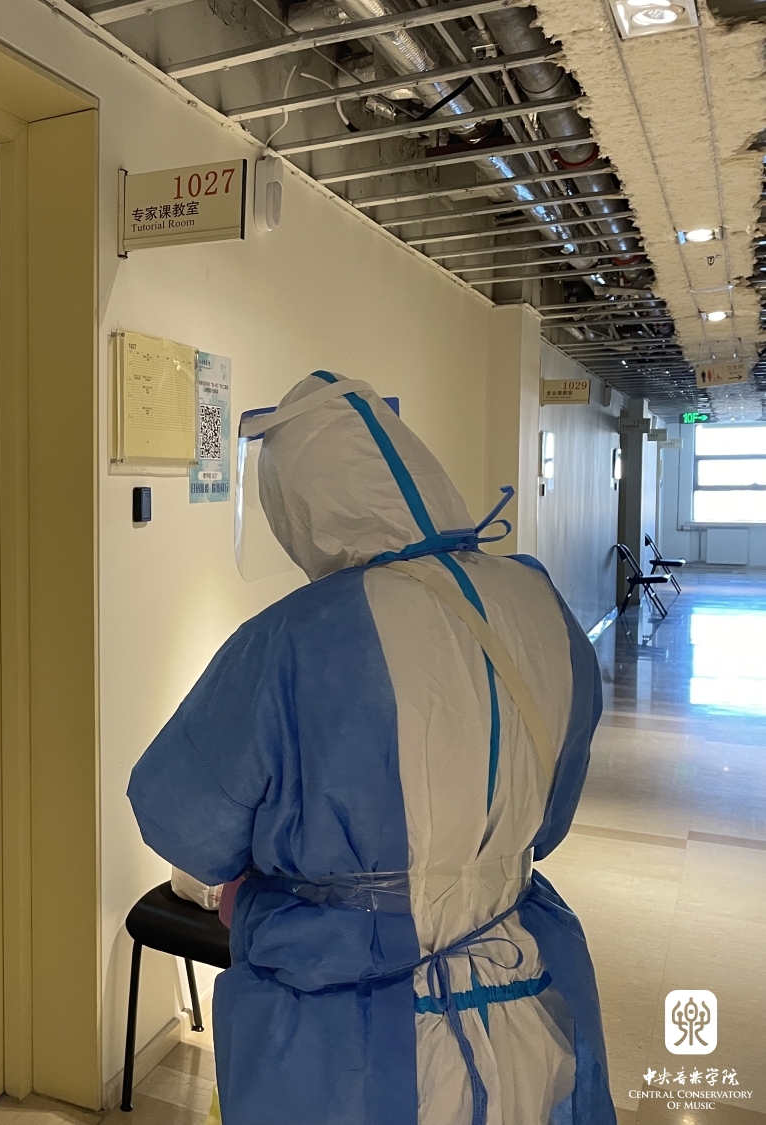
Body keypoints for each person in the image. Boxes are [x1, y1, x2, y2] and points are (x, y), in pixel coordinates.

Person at [128, 371, 612, 1125]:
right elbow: (546, 825)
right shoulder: (536, 600)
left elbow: (183, 823)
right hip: (524, 995)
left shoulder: (296, 636)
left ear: (304, 509)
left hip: (351, 1036)